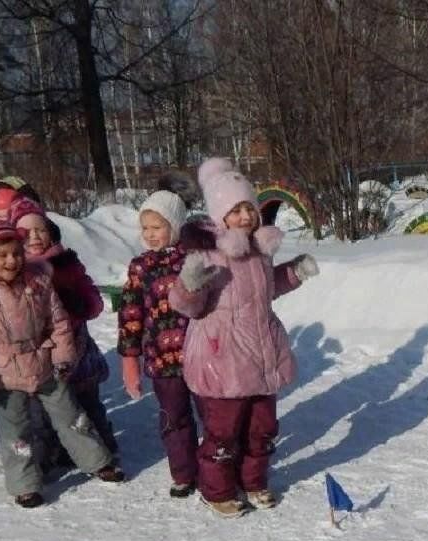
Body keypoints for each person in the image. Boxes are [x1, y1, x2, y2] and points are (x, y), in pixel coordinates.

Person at [169, 157, 319, 517]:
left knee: (262, 429)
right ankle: (217, 490)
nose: (245, 217)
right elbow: (185, 306)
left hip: (262, 353)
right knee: (222, 433)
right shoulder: (207, 253)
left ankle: (254, 482)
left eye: (248, 209)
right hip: (224, 357)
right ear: (220, 215)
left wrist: (294, 273)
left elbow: (266, 291)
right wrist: (190, 283)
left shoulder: (259, 251)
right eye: (235, 211)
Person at [0, 220, 124, 508]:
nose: (12, 261)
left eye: (16, 253)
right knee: (15, 431)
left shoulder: (38, 282)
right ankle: (24, 484)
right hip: (4, 373)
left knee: (72, 416)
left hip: (44, 363)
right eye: (2, 255)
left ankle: (98, 462)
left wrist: (62, 358)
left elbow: (59, 323)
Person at [8, 195, 116, 458]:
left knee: (87, 400)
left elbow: (94, 301)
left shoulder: (66, 262)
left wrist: (80, 304)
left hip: (77, 345)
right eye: (27, 232)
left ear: (51, 232)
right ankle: (57, 451)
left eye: (40, 230)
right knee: (49, 407)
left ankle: (103, 447)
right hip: (40, 351)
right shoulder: (13, 270)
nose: (34, 237)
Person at [117, 189, 198, 497]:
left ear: (175, 227)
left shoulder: (193, 260)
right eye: (145, 228)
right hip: (162, 360)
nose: (150, 235)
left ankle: (217, 469)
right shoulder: (140, 267)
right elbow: (130, 315)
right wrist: (130, 360)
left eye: (157, 227)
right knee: (173, 418)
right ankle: (183, 473)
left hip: (198, 354)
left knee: (212, 415)